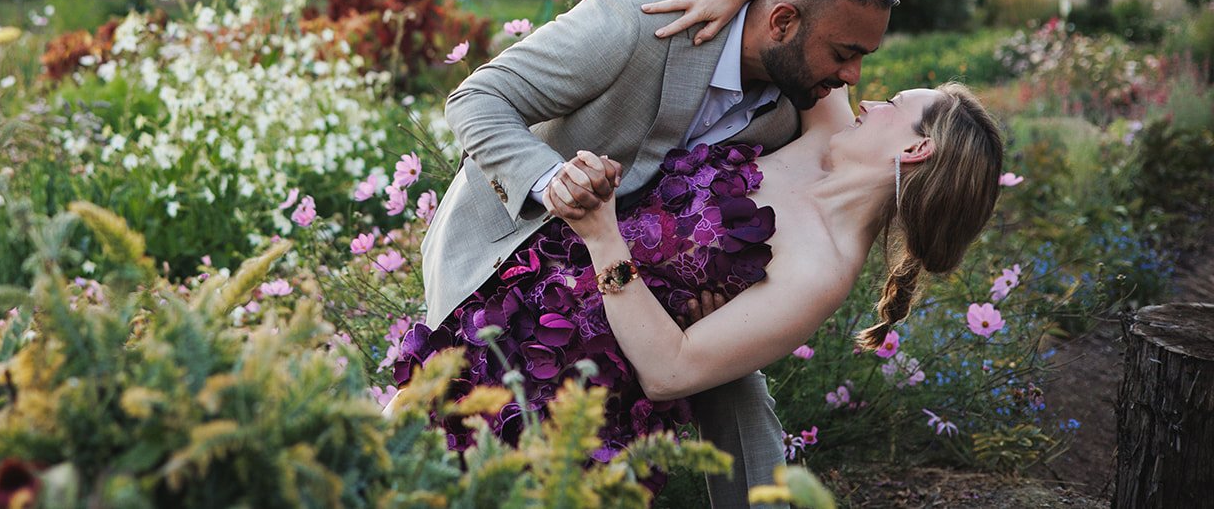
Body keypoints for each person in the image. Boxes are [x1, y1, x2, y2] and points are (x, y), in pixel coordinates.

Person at [410, 0, 900, 506]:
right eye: (844, 54)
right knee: (453, 440)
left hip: (638, 294)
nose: (854, 77)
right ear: (783, 23)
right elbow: (477, 99)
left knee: (730, 388)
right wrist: (552, 183)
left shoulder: (797, 103)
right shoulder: (634, 23)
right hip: (508, 256)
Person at [396, 76, 1004, 486]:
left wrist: (604, 237)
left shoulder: (822, 269)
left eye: (894, 105)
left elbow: (672, 371)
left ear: (917, 148)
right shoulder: (825, 133)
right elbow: (815, 6)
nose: (872, 103)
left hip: (569, 400)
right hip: (506, 319)